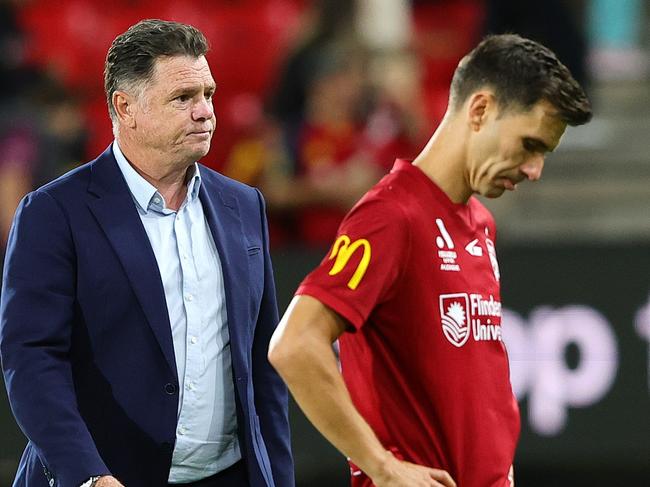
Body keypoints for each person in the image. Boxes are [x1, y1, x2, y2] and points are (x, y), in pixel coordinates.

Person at [268, 34, 591, 487]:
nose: (534, 170)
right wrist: (381, 466)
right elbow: (294, 345)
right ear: (479, 110)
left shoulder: (480, 222)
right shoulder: (390, 215)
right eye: (529, 144)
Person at [0, 19, 293, 487]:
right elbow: (31, 359)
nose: (205, 113)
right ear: (125, 107)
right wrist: (87, 475)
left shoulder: (243, 205)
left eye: (209, 95)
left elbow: (263, 365)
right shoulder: (53, 213)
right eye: (184, 98)